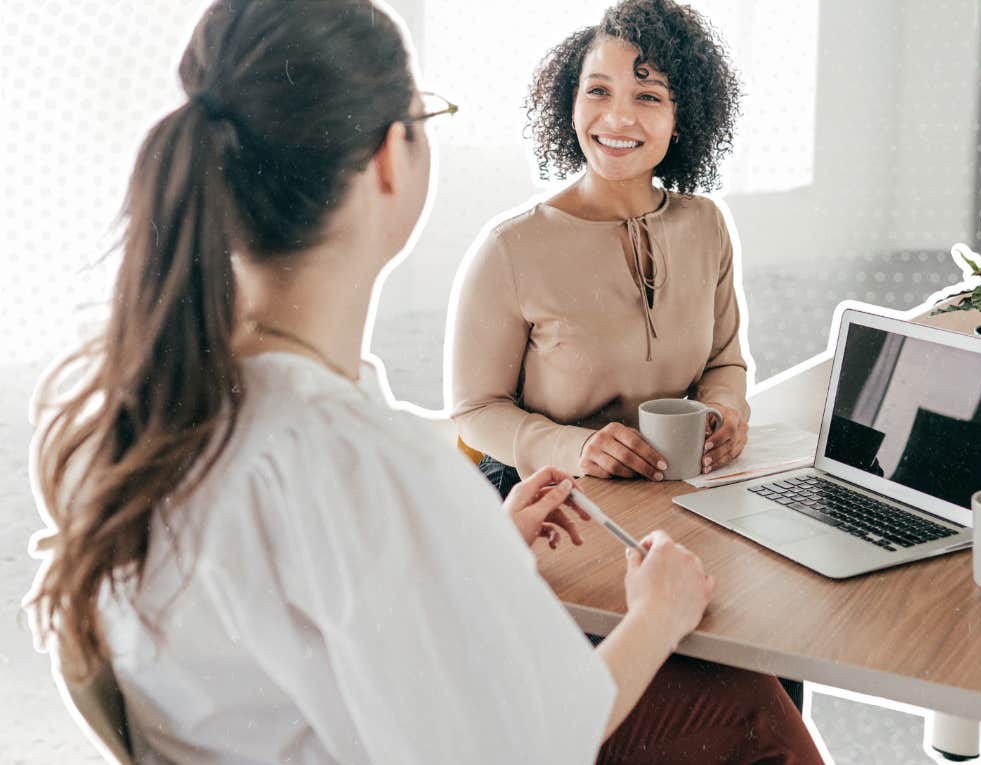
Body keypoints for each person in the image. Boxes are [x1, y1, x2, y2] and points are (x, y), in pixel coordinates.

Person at [25, 1, 818, 762]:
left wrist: (482, 546)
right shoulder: (364, 461)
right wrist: (660, 611)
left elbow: (329, 624)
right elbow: (529, 744)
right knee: (755, 711)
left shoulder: (158, 409)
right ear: (388, 160)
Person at [449, 0, 752, 497]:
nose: (617, 117)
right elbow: (476, 411)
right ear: (571, 106)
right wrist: (576, 448)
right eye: (598, 91)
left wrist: (726, 413)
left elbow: (724, 363)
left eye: (648, 97)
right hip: (541, 496)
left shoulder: (706, 225)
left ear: (682, 118)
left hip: (668, 489)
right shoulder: (511, 247)